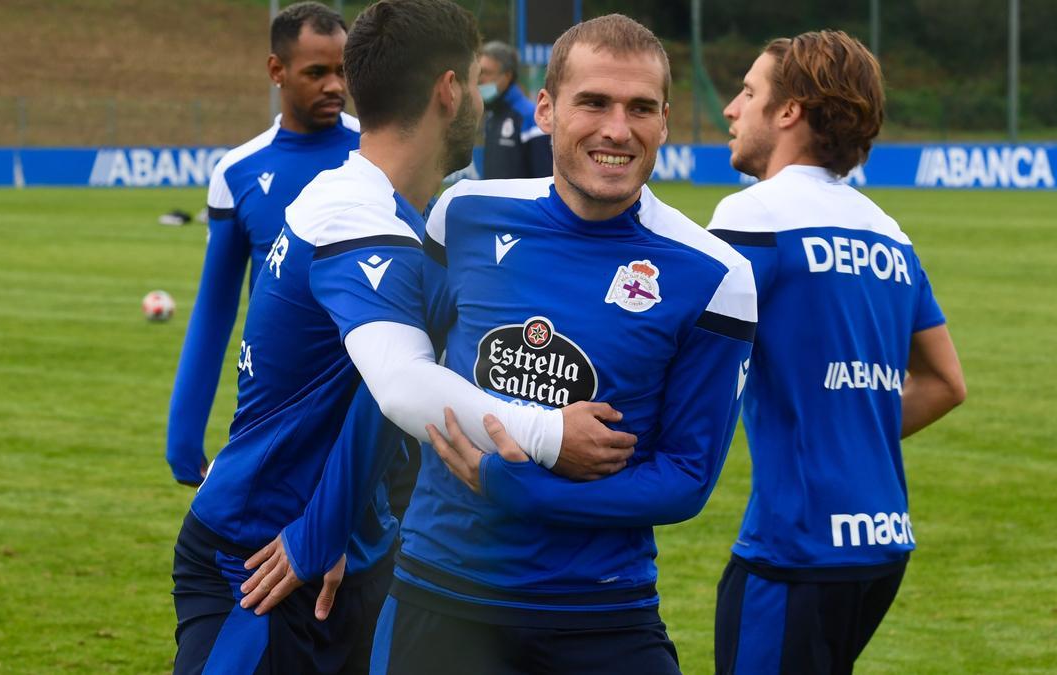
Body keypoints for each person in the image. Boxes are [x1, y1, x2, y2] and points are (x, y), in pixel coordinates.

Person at [170, 1, 634, 673]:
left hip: (346, 551)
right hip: (255, 559)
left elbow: (365, 399)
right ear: (450, 89)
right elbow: (401, 385)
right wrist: (552, 434)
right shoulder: (353, 213)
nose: (479, 96)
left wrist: (331, 524)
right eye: (475, 78)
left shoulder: (410, 214)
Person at [370, 15, 758, 675]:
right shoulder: (461, 217)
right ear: (547, 109)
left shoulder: (717, 275)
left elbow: (686, 478)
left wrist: (520, 488)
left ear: (665, 120)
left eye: (641, 108)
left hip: (602, 611)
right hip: (442, 594)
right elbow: (396, 381)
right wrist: (335, 533)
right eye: (594, 102)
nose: (617, 128)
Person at [706, 30, 966, 675]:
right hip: (881, 542)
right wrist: (849, 431)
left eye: (747, 92)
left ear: (789, 111)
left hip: (795, 548)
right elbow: (944, 383)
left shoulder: (752, 216)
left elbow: (685, 362)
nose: (730, 110)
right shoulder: (890, 235)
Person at [166, 1, 359, 488]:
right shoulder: (237, 172)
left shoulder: (379, 150)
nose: (335, 86)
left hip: (370, 405)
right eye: (316, 72)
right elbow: (215, 307)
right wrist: (184, 439)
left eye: (342, 71)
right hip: (279, 410)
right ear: (277, 70)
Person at [478, 40, 552, 179]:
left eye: (487, 73)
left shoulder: (530, 117)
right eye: (479, 73)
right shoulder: (492, 115)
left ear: (507, 76)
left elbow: (544, 179)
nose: (481, 79)